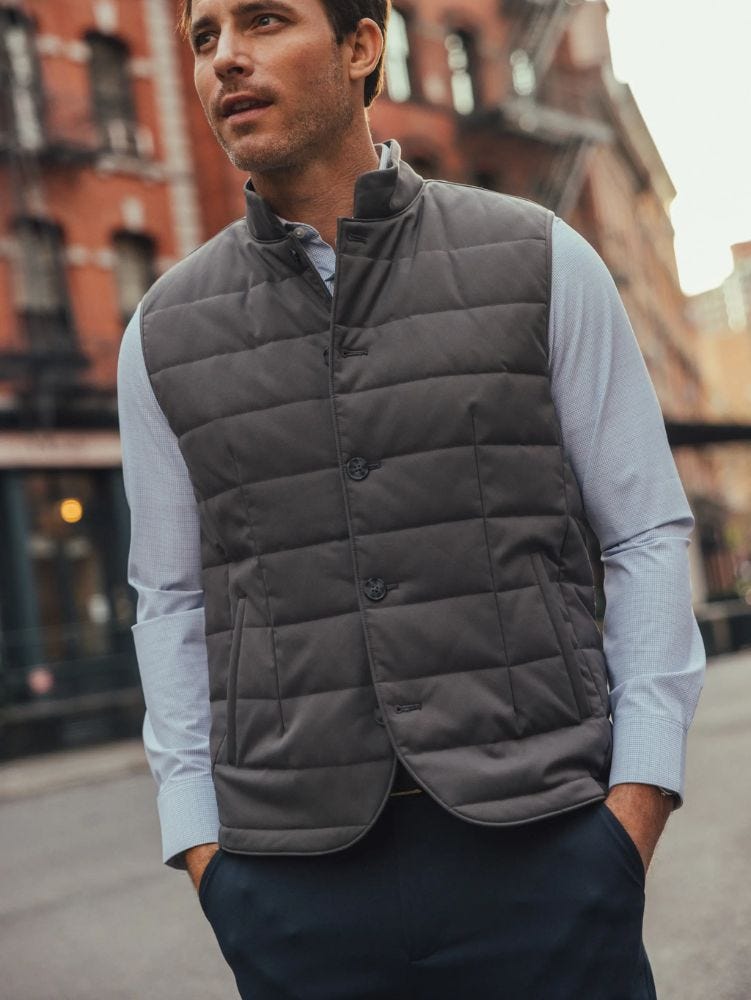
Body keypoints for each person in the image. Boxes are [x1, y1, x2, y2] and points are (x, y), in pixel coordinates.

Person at [116, 1, 706, 997]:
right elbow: (170, 599)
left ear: (360, 45)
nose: (227, 60)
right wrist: (204, 851)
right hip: (292, 887)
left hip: (545, 851)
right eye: (204, 37)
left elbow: (644, 533)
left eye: (262, 20)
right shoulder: (162, 332)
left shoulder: (543, 260)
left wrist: (633, 808)